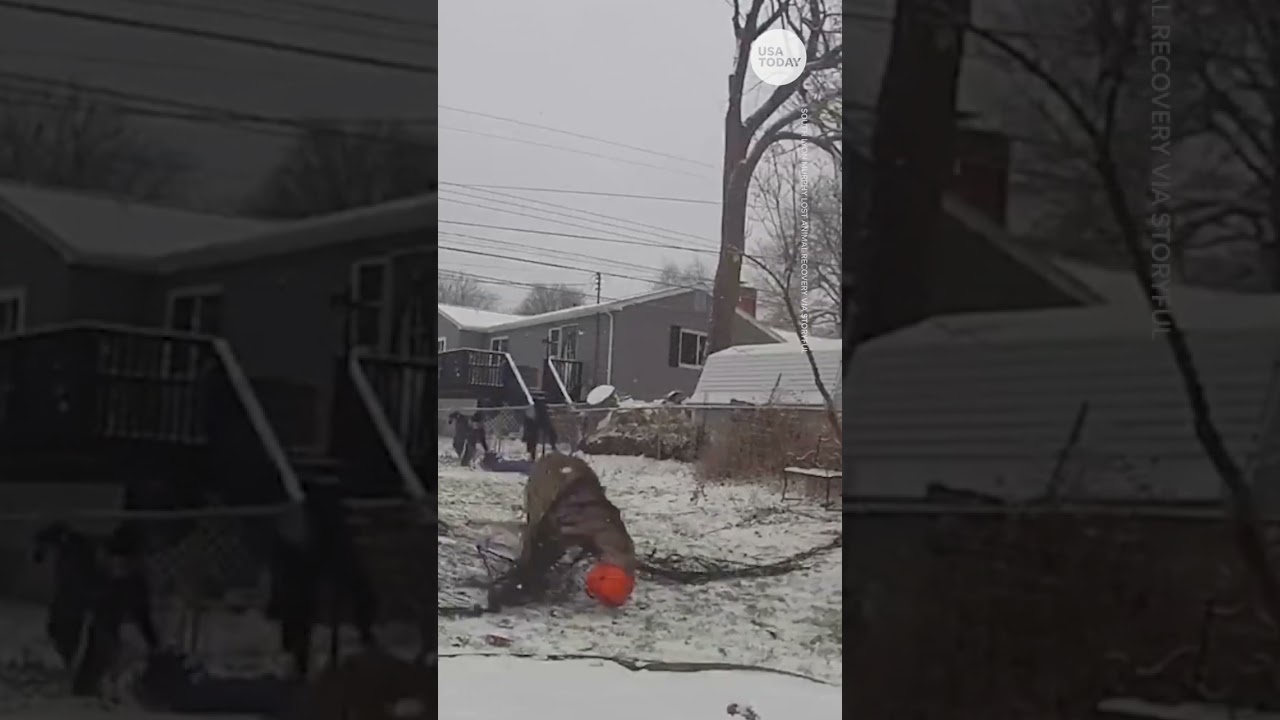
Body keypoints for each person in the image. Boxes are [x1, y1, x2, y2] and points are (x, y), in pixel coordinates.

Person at [488, 453, 635, 609]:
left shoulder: (613, 535)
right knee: (542, 540)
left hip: (575, 475)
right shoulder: (610, 539)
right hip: (553, 479)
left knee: (545, 542)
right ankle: (530, 577)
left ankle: (531, 576)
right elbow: (540, 533)